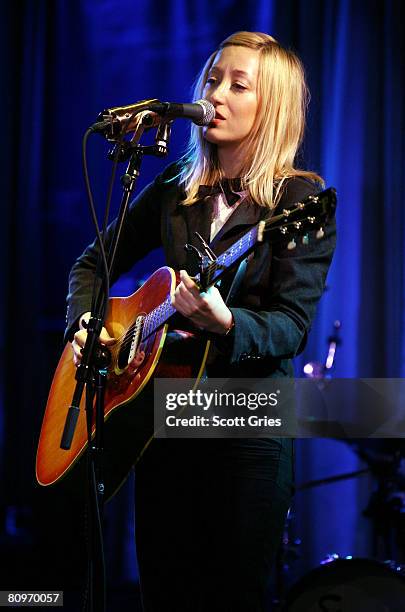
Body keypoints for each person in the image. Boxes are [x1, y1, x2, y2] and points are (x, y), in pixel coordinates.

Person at [66, 31, 336, 612]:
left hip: (249, 428)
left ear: (273, 109)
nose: (215, 93)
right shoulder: (174, 190)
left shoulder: (300, 204)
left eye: (238, 85)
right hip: (165, 421)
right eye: (212, 78)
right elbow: (93, 261)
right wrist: (87, 323)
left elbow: (290, 326)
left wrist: (227, 322)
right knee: (164, 593)